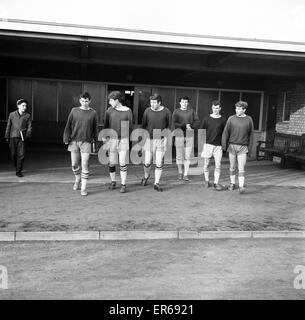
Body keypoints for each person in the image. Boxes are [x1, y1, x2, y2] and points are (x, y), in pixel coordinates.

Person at [63, 92, 99, 196]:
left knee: (84, 164)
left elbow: (95, 130)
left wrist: (96, 144)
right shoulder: (74, 111)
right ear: (80, 100)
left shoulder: (93, 113)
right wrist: (66, 137)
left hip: (86, 142)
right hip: (73, 140)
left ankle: (83, 188)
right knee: (74, 164)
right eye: (82, 101)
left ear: (90, 101)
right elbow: (68, 125)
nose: (84, 103)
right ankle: (77, 179)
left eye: (86, 101)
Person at [221, 100, 254, 194]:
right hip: (232, 146)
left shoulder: (249, 119)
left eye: (239, 109)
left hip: (243, 147)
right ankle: (232, 183)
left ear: (244, 109)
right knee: (232, 167)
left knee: (241, 168)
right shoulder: (231, 118)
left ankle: (241, 186)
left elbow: (251, 134)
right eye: (236, 108)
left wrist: (250, 149)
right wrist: (224, 145)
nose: (237, 110)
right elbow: (226, 132)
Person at [141, 93, 171, 192]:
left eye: (154, 102)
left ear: (159, 102)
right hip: (149, 140)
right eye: (151, 103)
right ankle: (146, 176)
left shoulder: (166, 111)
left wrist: (167, 140)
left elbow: (169, 127)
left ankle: (156, 183)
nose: (152, 104)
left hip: (161, 140)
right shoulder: (147, 111)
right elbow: (143, 126)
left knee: (158, 163)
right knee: (147, 162)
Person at [104, 91, 133, 193]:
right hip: (112, 140)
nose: (109, 102)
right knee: (111, 162)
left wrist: (127, 141)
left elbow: (130, 127)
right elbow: (106, 126)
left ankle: (123, 184)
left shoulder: (128, 111)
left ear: (116, 100)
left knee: (122, 162)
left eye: (111, 100)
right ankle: (113, 181)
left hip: (123, 140)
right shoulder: (109, 111)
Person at [172, 96, 199, 182]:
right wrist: (184, 125)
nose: (184, 103)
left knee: (187, 157)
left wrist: (191, 126)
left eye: (186, 102)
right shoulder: (176, 111)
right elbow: (174, 123)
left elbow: (197, 121)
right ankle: (180, 172)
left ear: (188, 103)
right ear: (180, 103)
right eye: (183, 102)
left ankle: (185, 174)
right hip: (179, 135)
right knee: (179, 156)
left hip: (189, 136)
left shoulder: (191, 111)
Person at [201, 100, 226, 190]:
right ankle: (207, 180)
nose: (215, 109)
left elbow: (225, 133)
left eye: (217, 108)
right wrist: (201, 145)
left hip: (218, 146)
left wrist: (224, 145)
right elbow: (201, 132)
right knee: (206, 164)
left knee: (218, 165)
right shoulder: (206, 118)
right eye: (214, 108)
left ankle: (216, 183)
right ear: (212, 108)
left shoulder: (223, 120)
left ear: (220, 108)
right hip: (208, 145)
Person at [5, 99, 32, 177]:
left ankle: (18, 171)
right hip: (13, 137)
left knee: (21, 154)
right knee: (13, 154)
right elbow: (8, 126)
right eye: (23, 105)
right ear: (18, 106)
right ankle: (17, 166)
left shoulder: (27, 115)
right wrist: (7, 136)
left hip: (22, 138)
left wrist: (28, 135)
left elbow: (30, 127)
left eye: (26, 106)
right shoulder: (12, 115)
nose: (25, 107)